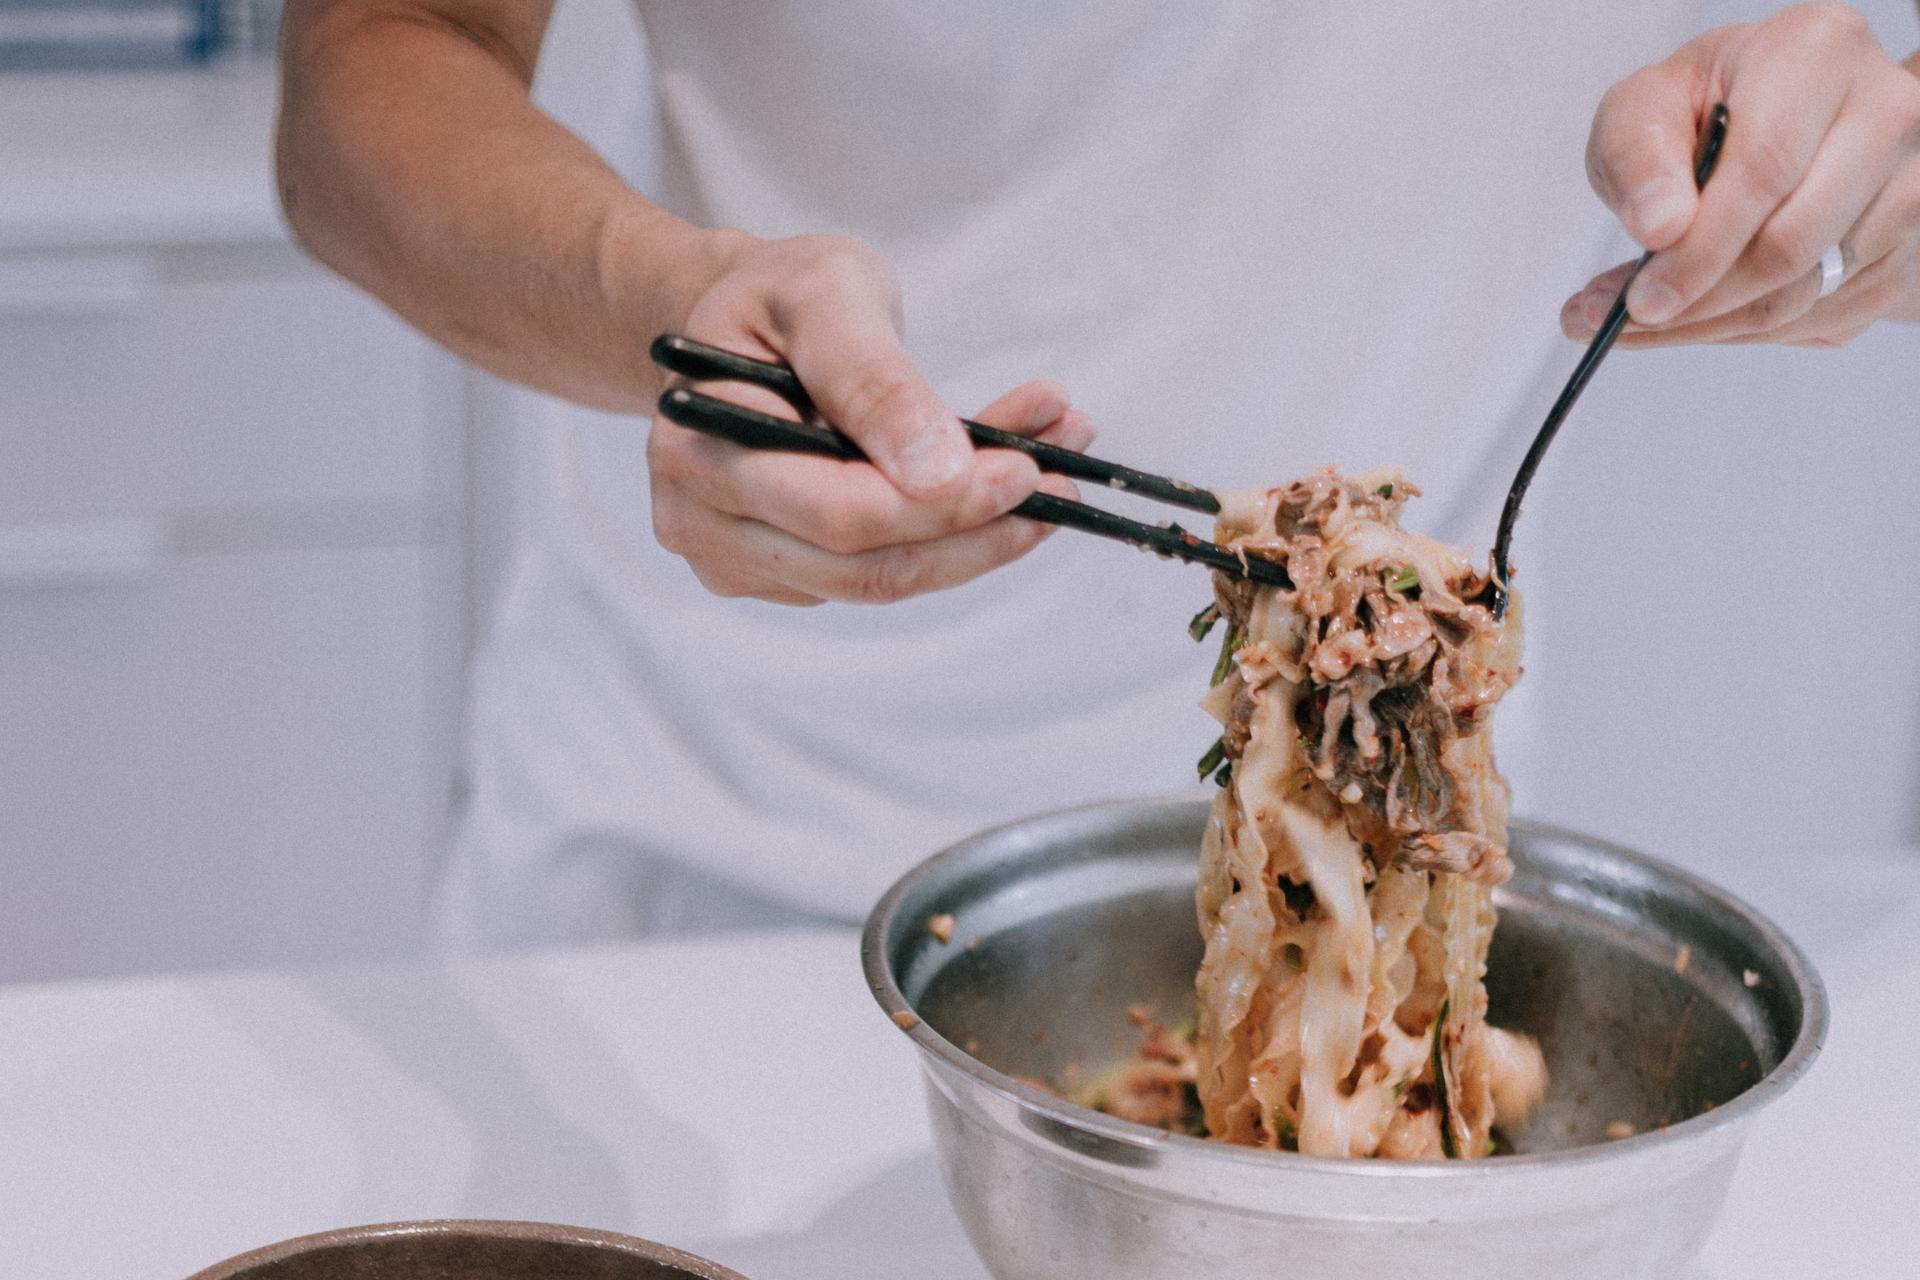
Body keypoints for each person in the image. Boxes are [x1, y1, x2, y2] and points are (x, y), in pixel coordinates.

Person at [276, 1, 1920, 947]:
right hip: (726, 857)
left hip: (1393, 886)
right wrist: (663, 304)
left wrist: (1880, 157)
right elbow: (375, 58)